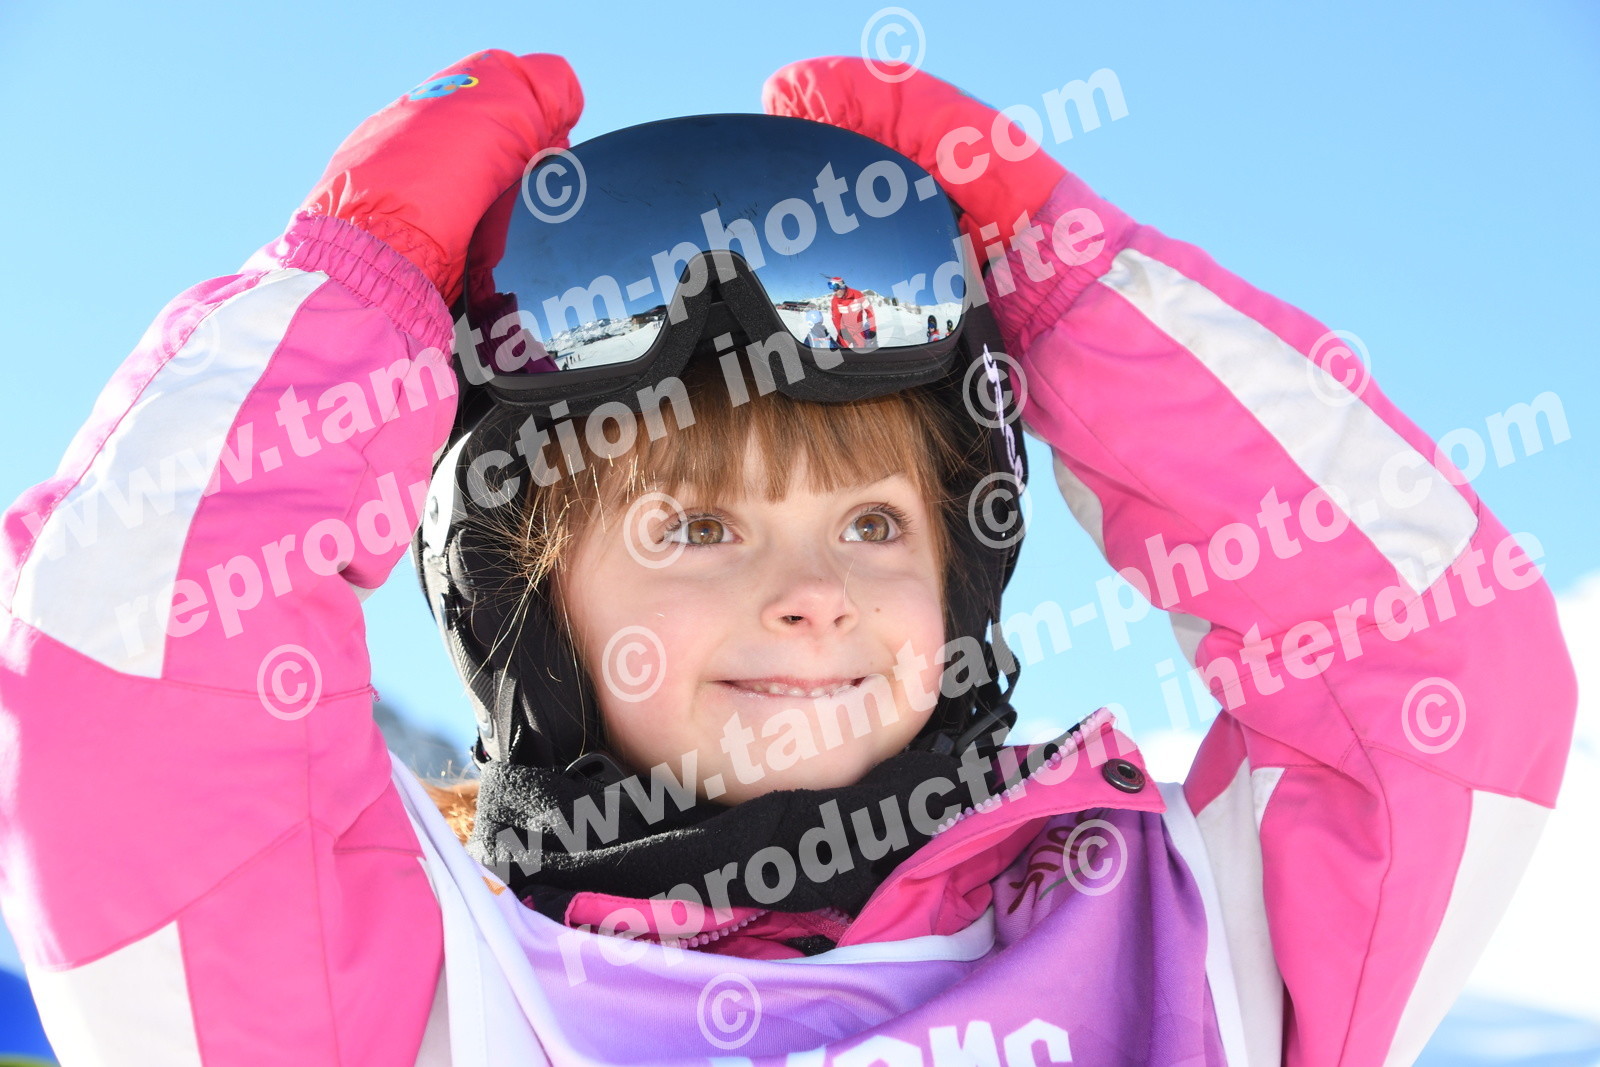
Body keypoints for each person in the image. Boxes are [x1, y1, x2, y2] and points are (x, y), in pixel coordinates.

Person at [0, 48, 1576, 1067]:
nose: (812, 593)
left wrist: (1066, 286)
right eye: (695, 528)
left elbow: (1434, 660)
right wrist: (355, 294)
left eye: (875, 524)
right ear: (529, 611)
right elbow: (119, 701)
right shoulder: (426, 1003)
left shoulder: (1183, 935)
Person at [827, 274, 877, 347]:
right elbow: (836, 318)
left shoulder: (858, 295)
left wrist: (872, 329)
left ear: (842, 286)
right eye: (833, 289)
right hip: (845, 332)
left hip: (858, 331)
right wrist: (842, 330)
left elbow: (870, 312)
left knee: (861, 351)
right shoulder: (835, 300)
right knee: (838, 351)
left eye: (836, 288)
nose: (835, 291)